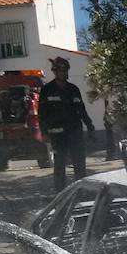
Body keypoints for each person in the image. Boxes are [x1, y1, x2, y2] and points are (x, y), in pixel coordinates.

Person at [38, 56, 95, 192]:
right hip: (57, 135)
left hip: (74, 132)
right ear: (55, 72)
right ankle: (61, 192)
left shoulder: (73, 89)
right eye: (61, 71)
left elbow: (82, 110)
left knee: (79, 164)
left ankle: (82, 191)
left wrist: (90, 126)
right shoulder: (47, 90)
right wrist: (44, 132)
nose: (64, 73)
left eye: (66, 70)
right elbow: (42, 113)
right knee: (60, 165)